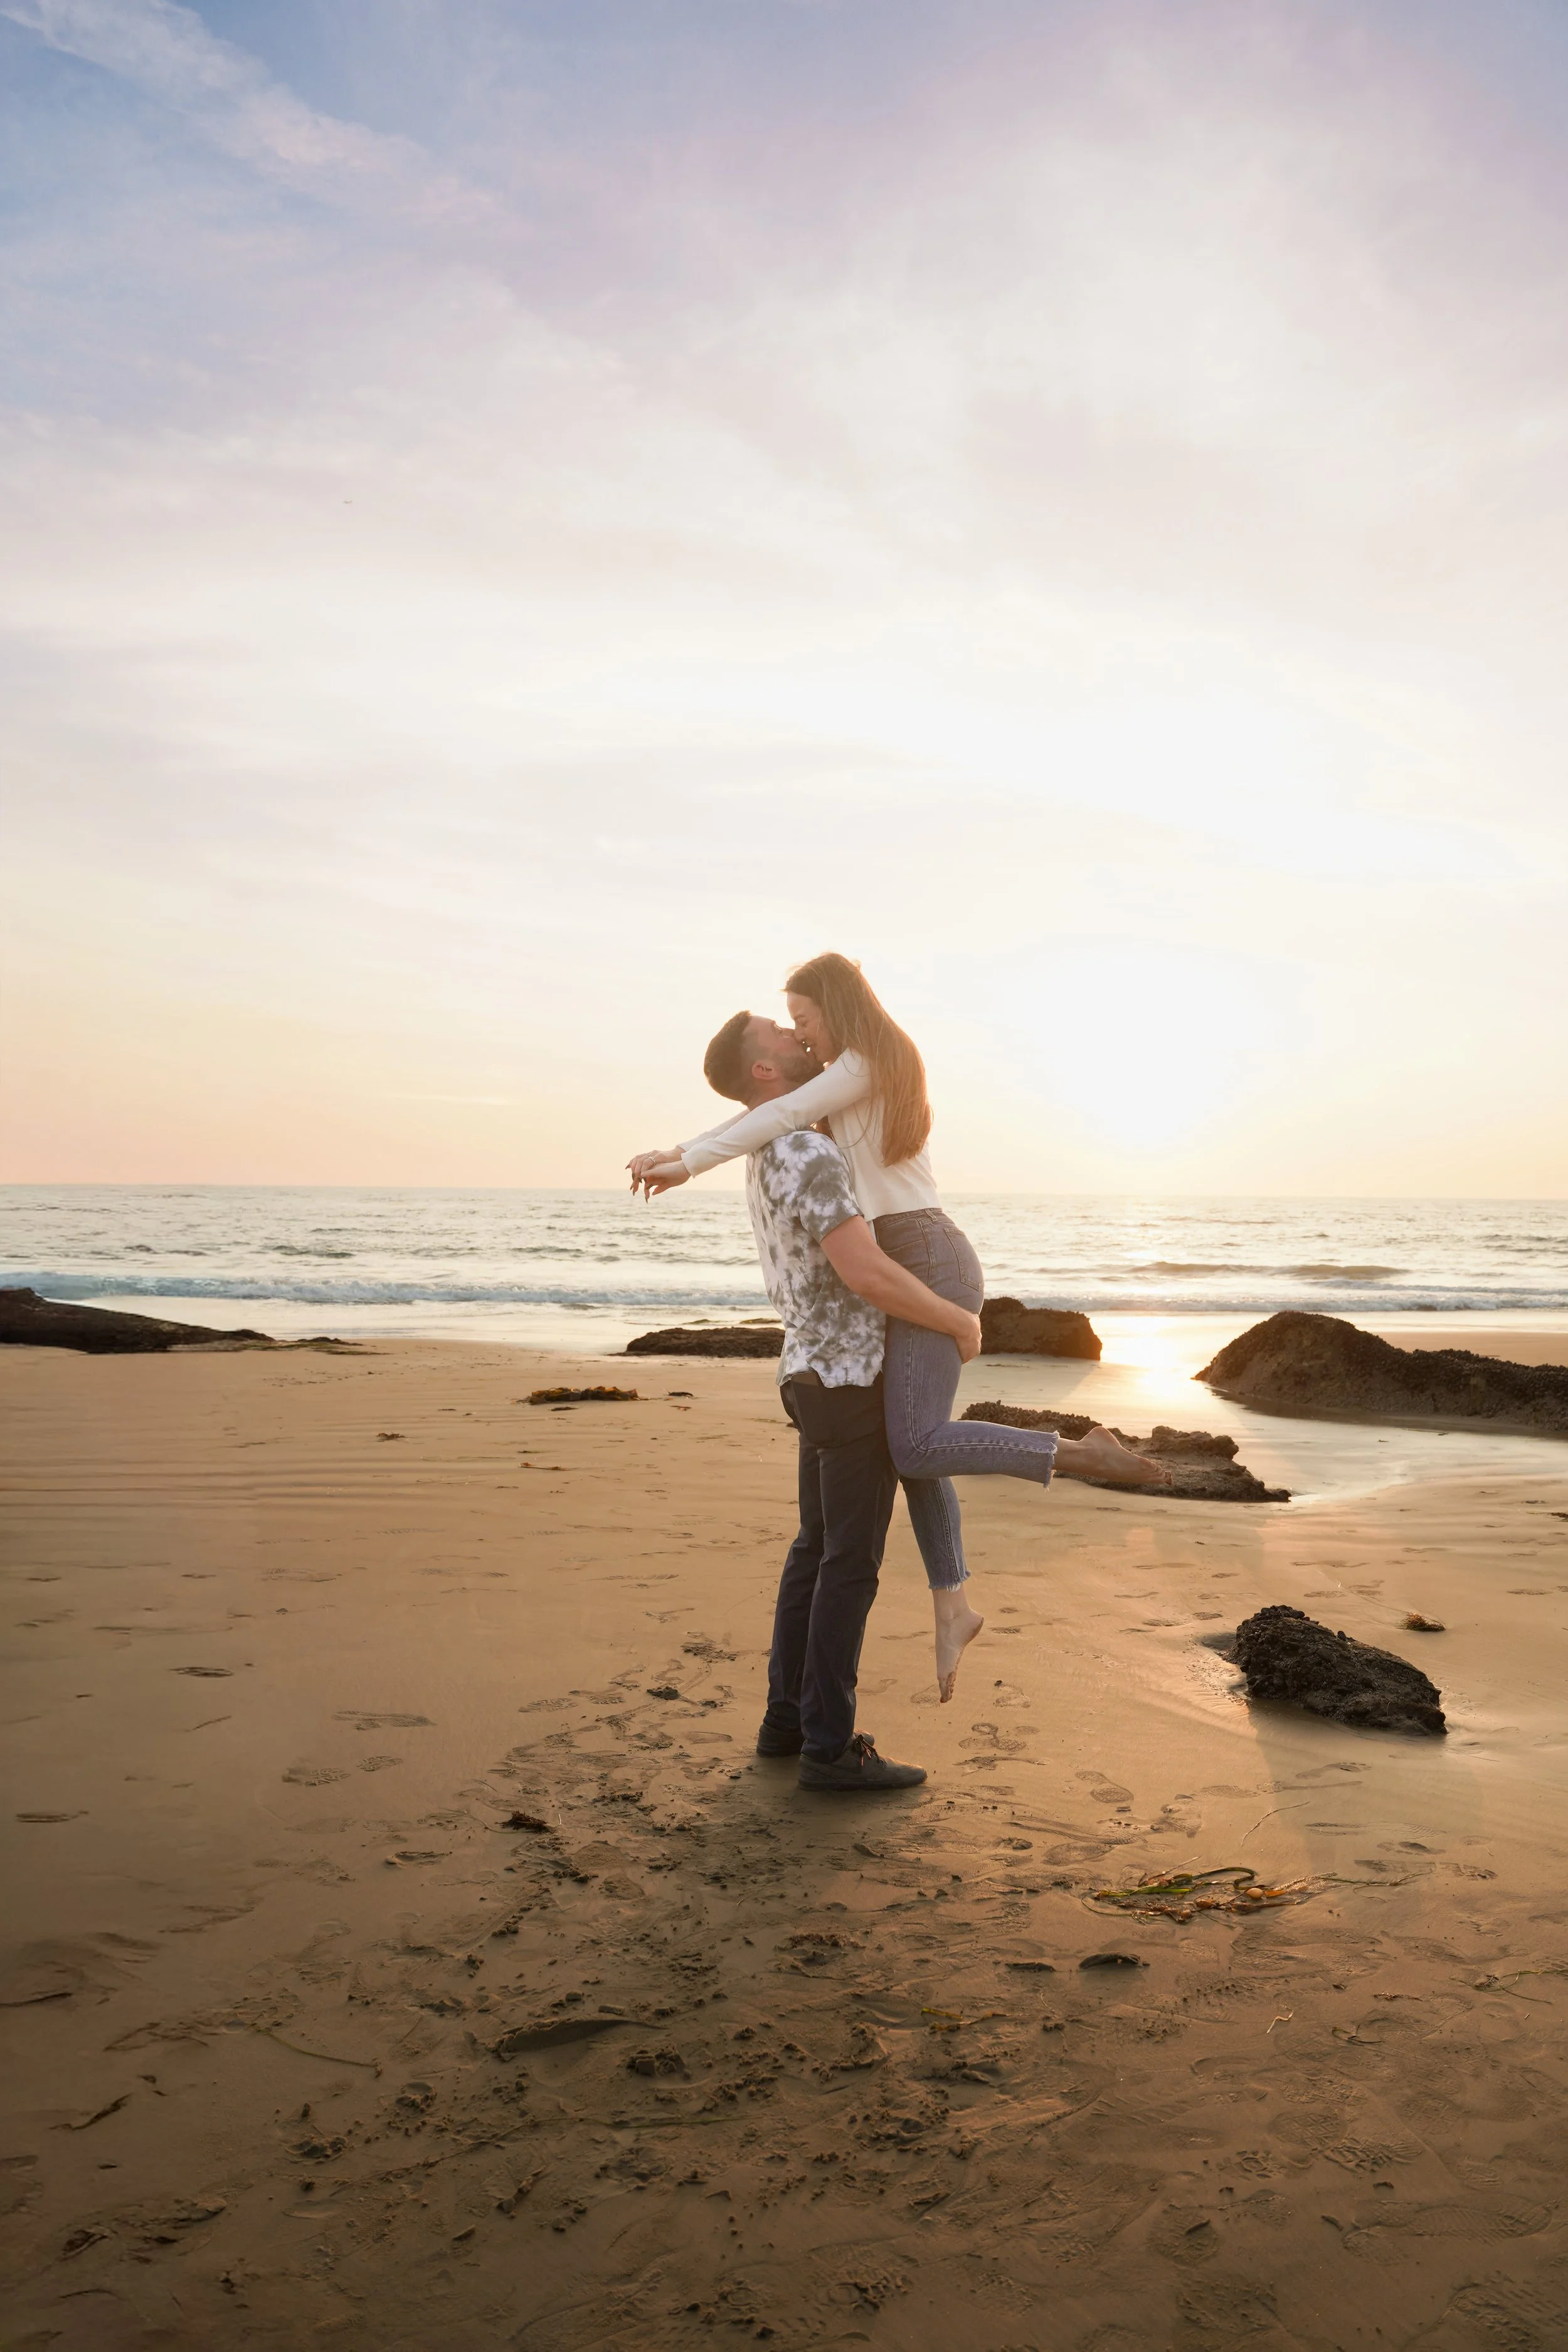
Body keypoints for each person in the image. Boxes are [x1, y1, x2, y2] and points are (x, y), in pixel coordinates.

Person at [629, 954, 1170, 1706]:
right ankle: (953, 1604)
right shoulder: (830, 1078)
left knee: (913, 1443)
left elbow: (777, 1110)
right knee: (909, 1439)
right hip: (899, 1252)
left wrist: (687, 1163)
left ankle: (1079, 1455)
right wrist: (680, 1148)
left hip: (921, 1251)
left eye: (804, 1019)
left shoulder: (867, 1058)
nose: (800, 1034)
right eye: (789, 1026)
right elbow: (765, 1109)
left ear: (834, 1007)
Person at [702, 1012, 983, 1789]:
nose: (796, 1038)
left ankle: (784, 1725)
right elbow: (865, 1272)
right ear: (764, 1071)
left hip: (807, 1374)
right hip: (850, 1380)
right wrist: (955, 1317)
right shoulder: (808, 1151)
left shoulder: (766, 1145)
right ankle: (829, 1748)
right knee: (847, 1568)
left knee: (813, 1556)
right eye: (778, 1034)